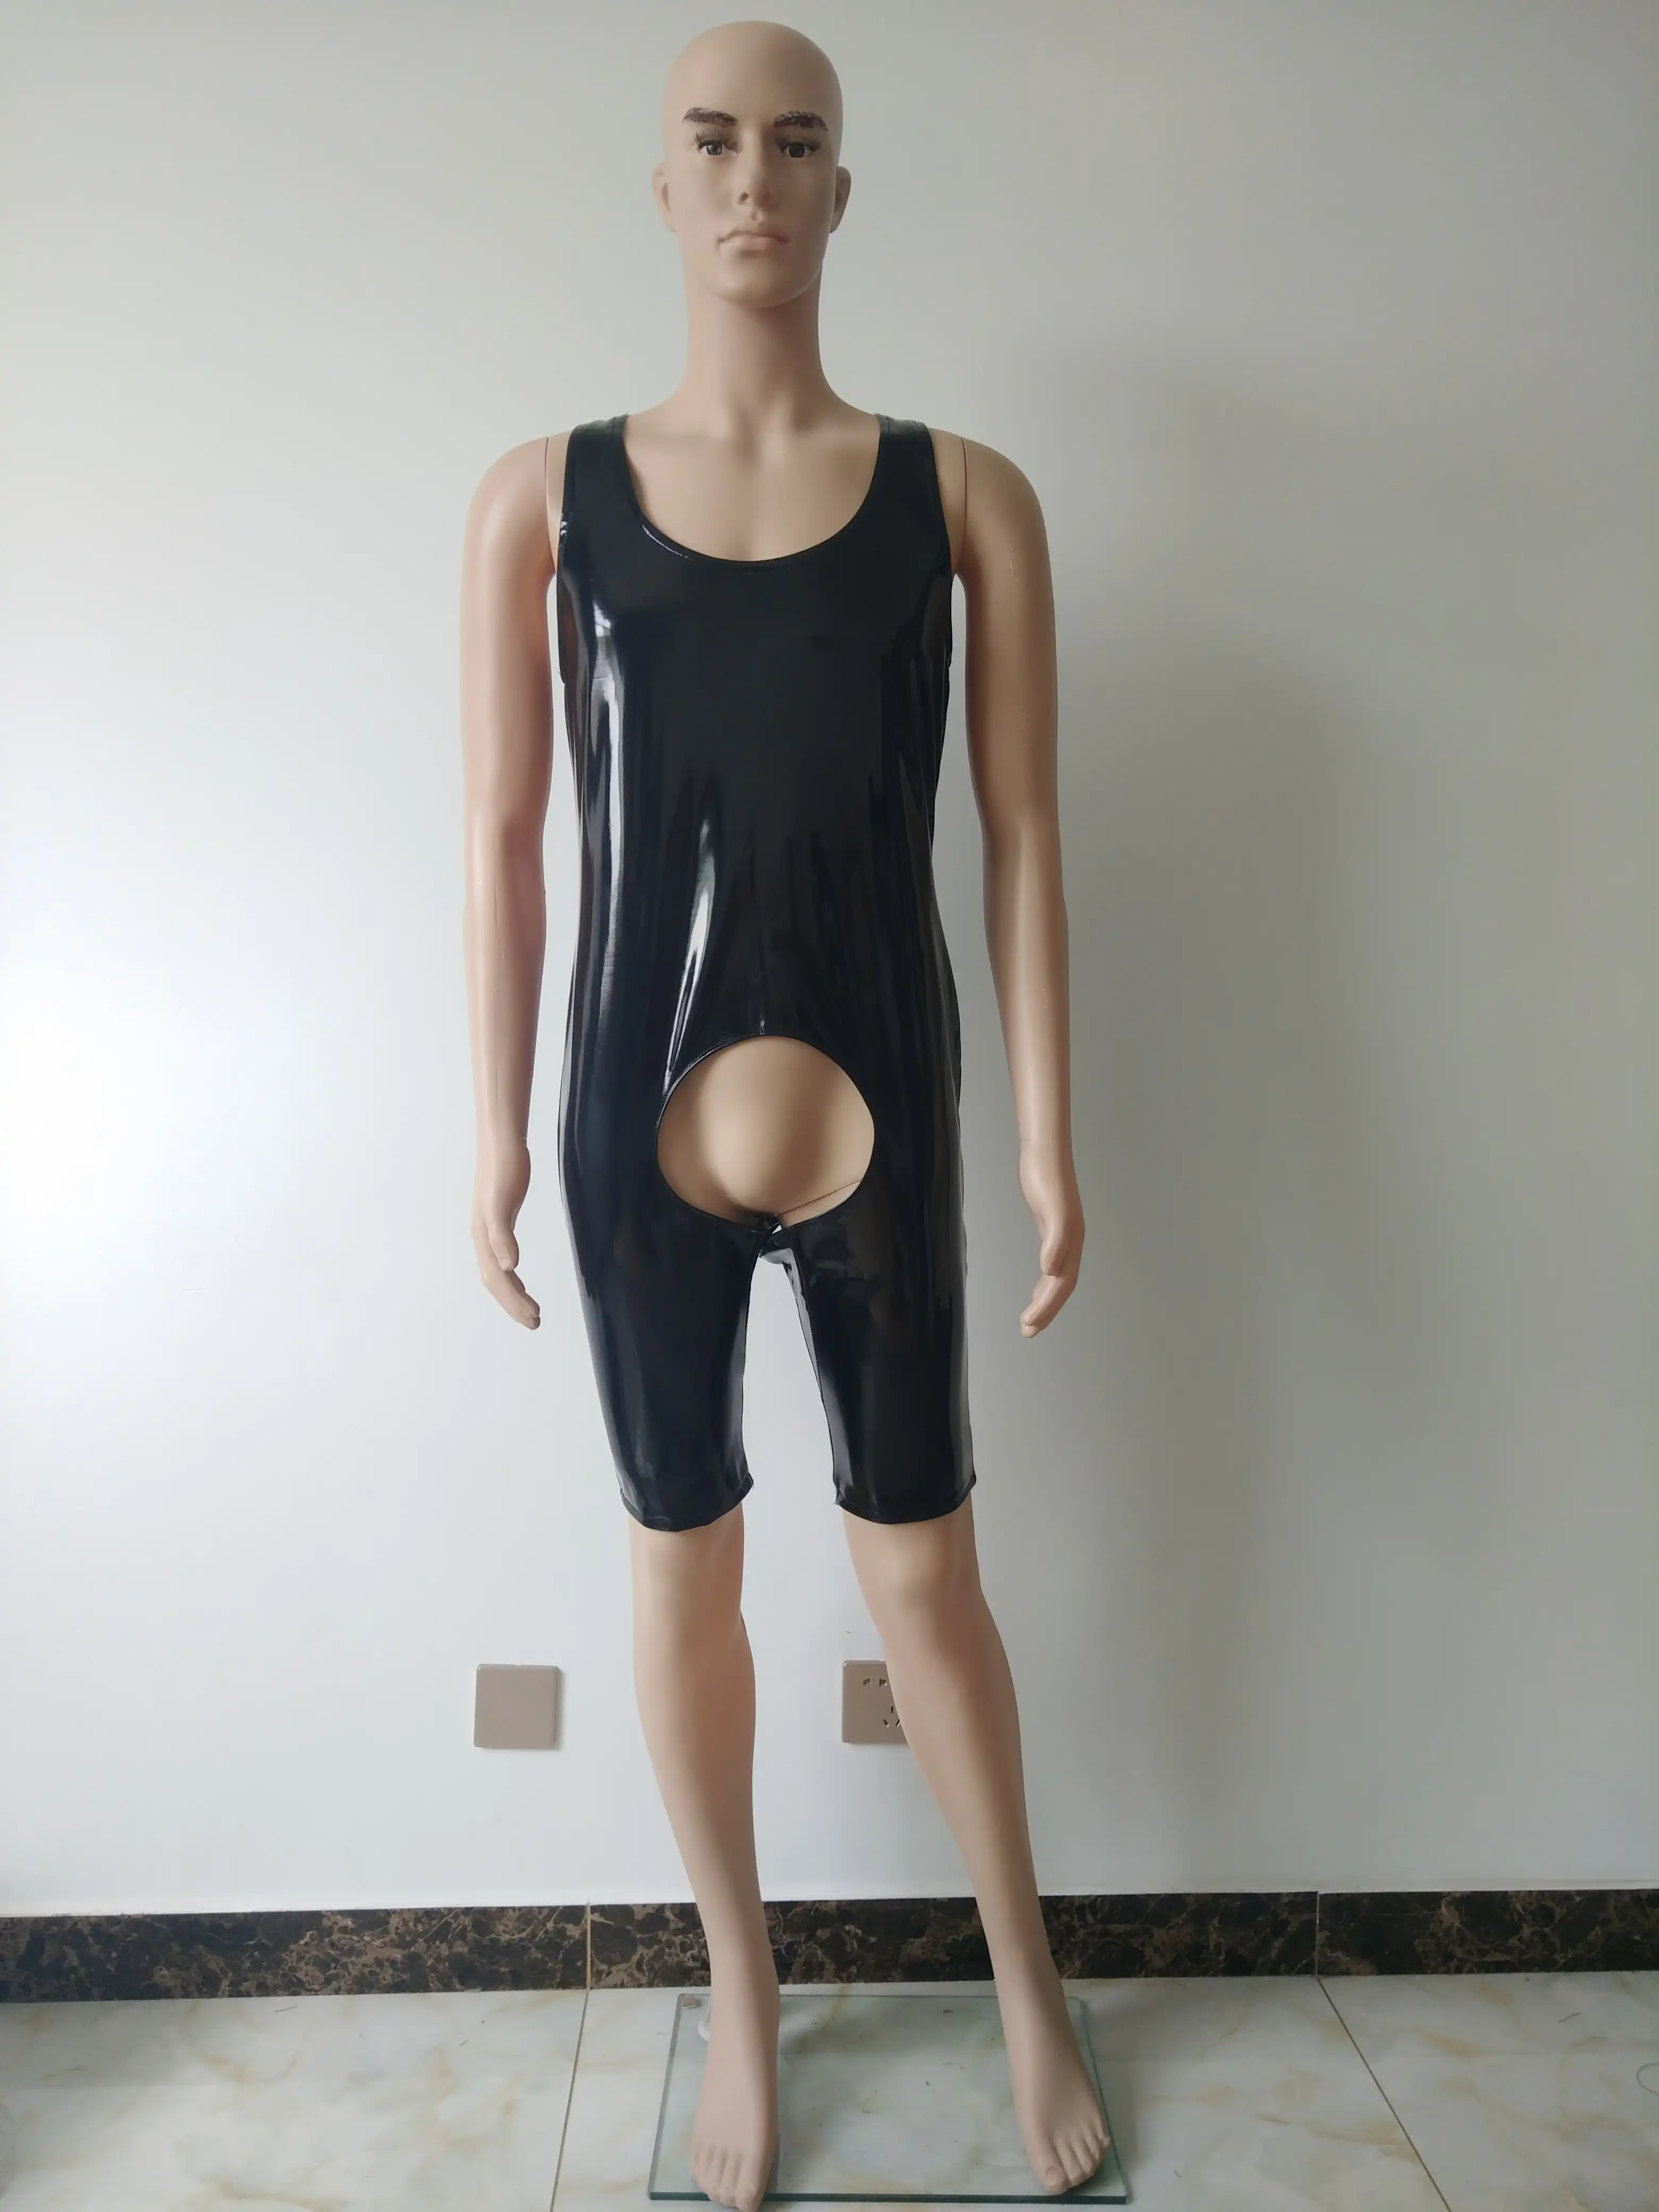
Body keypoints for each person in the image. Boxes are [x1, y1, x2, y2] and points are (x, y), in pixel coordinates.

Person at [459, 20, 1100, 2208]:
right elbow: (504, 845)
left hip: (882, 1105)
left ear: (842, 186)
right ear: (664, 183)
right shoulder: (543, 499)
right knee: (682, 1567)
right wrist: (486, 1135)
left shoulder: (963, 498)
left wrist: (1049, 1133)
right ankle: (741, 1987)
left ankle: (1025, 1974)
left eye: (798, 143)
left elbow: (1024, 833)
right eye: (716, 142)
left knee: (927, 1570)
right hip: (628, 1134)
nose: (756, 180)